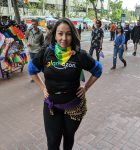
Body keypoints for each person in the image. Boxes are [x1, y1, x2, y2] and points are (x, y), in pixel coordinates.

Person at [28, 18, 102, 150]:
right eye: (60, 33)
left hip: (73, 106)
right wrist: (42, 87)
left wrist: (85, 87)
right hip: (52, 106)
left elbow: (98, 70)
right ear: (55, 35)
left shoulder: (79, 55)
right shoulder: (46, 53)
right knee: (52, 143)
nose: (64, 38)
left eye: (68, 34)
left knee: (68, 138)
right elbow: (31, 70)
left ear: (72, 35)